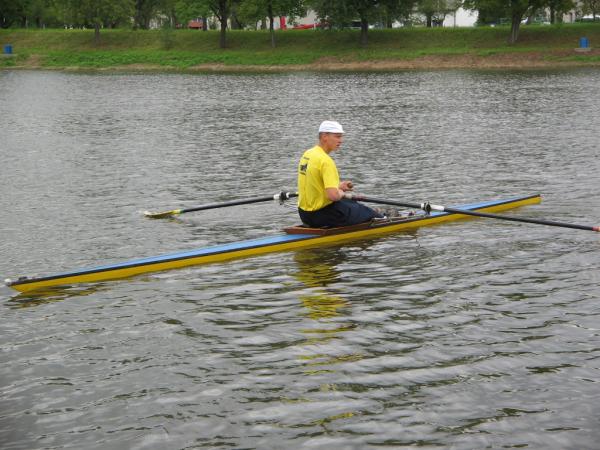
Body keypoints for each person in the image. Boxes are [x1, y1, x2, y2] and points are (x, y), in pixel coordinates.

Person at [297, 120, 383, 228]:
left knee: (352, 204)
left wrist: (338, 186)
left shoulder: (307, 154)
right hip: (324, 215)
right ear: (324, 136)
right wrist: (341, 193)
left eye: (341, 137)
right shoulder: (326, 161)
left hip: (304, 214)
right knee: (367, 212)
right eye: (337, 136)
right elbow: (333, 196)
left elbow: (314, 183)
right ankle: (381, 217)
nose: (341, 141)